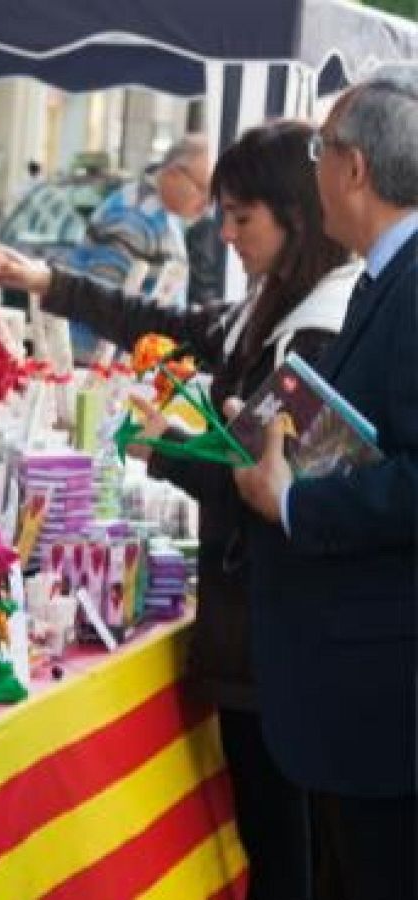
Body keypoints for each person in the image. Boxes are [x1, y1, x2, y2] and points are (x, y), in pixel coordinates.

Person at [0, 119, 359, 899]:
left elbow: (263, 487)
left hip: (275, 638)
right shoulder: (270, 308)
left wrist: (160, 447)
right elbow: (175, 330)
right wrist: (45, 280)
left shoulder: (318, 328)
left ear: (295, 212)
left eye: (242, 218)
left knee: (288, 854)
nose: (225, 234)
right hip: (258, 636)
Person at [233, 66, 417, 900]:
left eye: (318, 148)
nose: (314, 169)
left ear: (352, 170)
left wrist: (292, 500)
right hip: (356, 679)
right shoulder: (385, 275)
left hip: (383, 692)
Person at [60, 135, 211, 355]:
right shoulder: (133, 217)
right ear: (173, 174)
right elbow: (99, 301)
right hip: (98, 365)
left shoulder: (161, 211)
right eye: (203, 189)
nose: (207, 204)